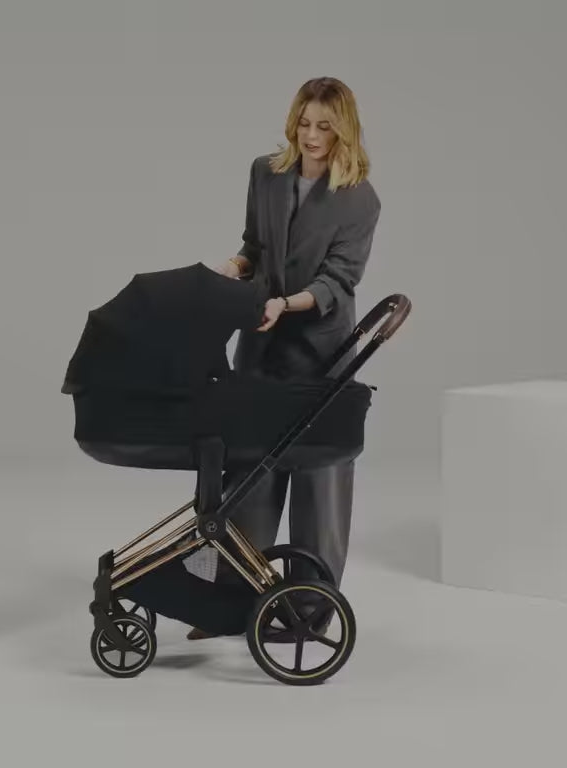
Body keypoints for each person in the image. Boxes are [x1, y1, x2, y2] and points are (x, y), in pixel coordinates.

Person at [187, 76, 382, 639]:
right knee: (247, 476)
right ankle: (221, 604)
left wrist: (286, 302)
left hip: (322, 351)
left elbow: (337, 281)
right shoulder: (265, 173)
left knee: (320, 483)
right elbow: (254, 244)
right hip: (262, 343)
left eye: (324, 126)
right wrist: (235, 267)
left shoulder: (360, 198)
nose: (311, 135)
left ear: (344, 130)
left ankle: (308, 611)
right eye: (304, 122)